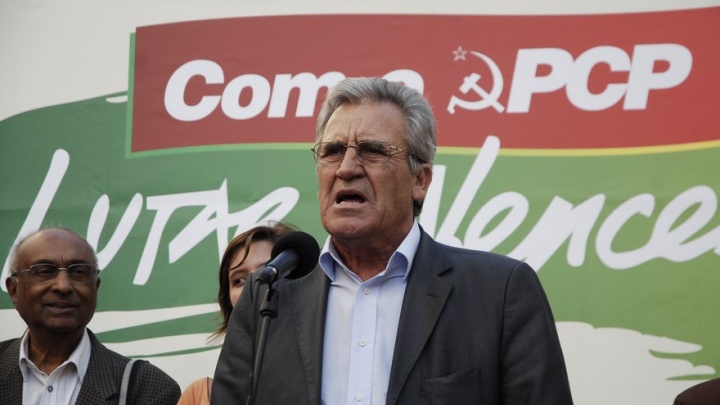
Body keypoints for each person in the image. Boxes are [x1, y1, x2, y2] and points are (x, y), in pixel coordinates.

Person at [212, 77, 574, 404]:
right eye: (332, 151)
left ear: (420, 180)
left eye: (372, 150)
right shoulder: (268, 297)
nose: (346, 168)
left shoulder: (499, 293)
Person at [0, 227, 180, 404]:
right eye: (45, 271)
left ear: (95, 287)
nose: (63, 286)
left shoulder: (147, 388)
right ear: (14, 290)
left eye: (78, 272)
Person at [178, 222, 298, 405]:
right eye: (239, 280)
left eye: (268, 272)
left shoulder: (328, 378)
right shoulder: (199, 396)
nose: (254, 285)